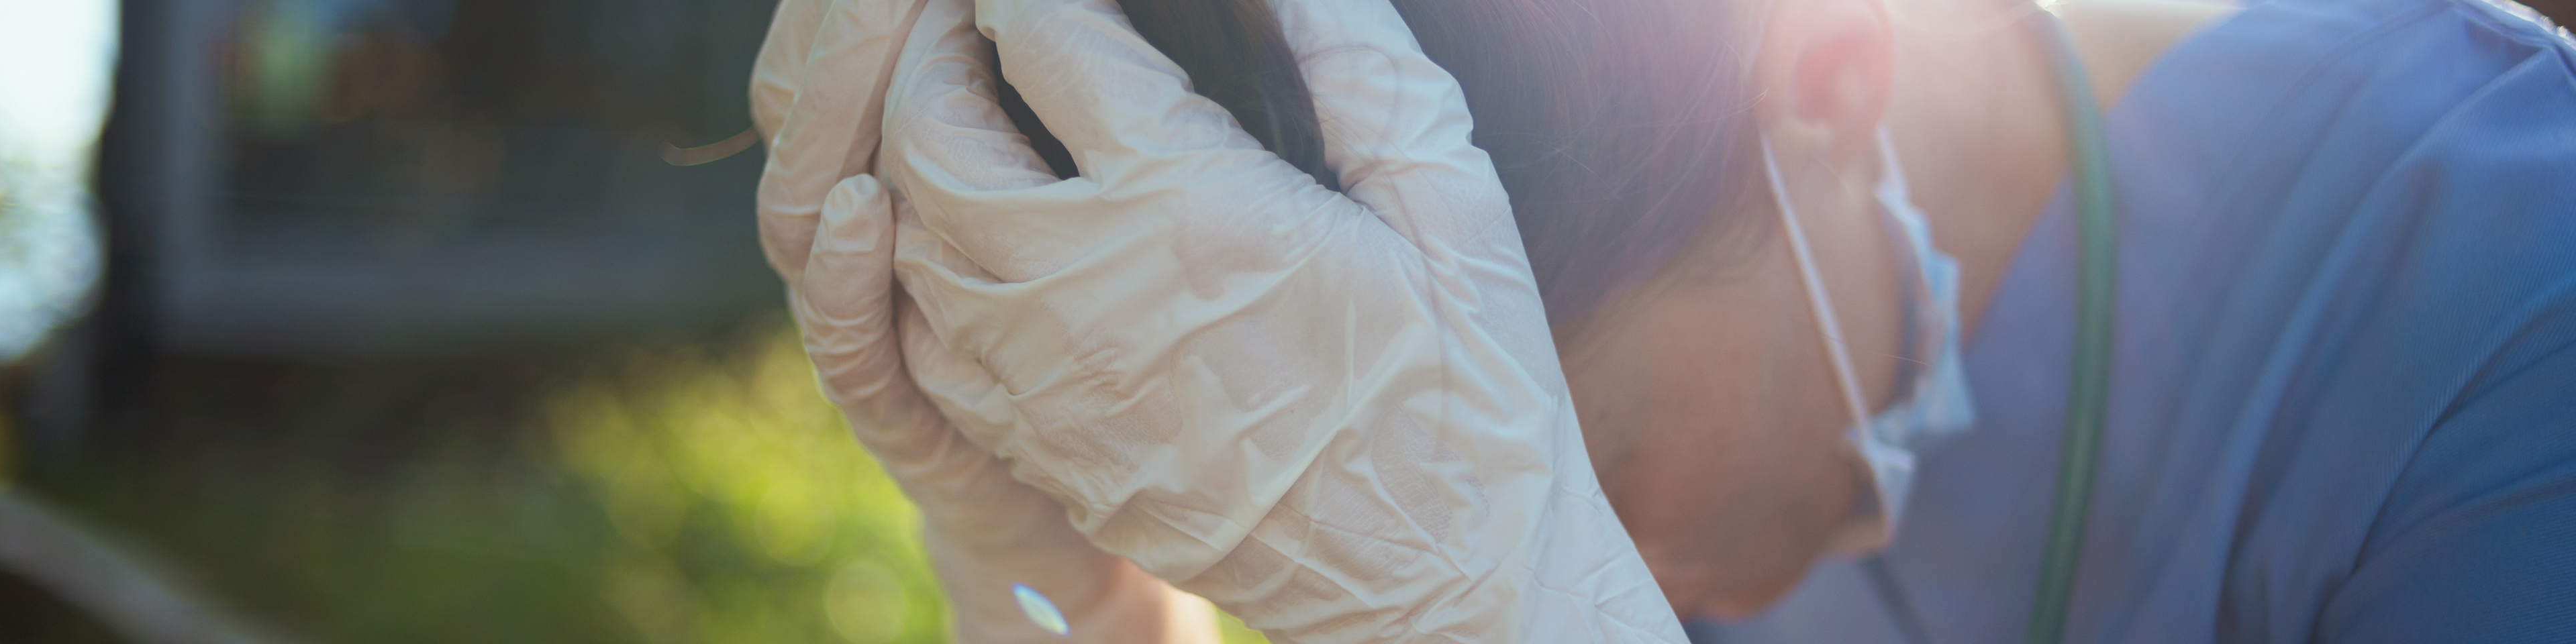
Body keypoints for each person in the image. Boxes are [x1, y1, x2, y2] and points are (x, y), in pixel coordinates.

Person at [749, 0, 2576, 638]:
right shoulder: (1452, 525)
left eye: (1589, 472)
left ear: (1835, 69)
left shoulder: (2500, 287)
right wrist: (1087, 606)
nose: (1554, 547)